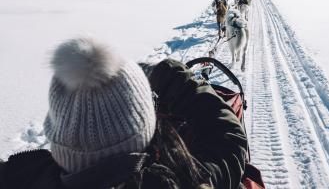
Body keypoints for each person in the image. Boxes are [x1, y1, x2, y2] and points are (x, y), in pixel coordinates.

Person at [0, 37, 247, 189]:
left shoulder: (19, 176)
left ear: (58, 133)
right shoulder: (184, 182)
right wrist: (172, 76)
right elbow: (229, 139)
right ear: (145, 130)